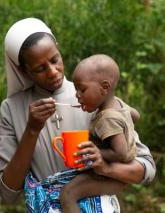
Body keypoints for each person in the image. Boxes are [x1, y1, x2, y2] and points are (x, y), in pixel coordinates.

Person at [0, 17, 156, 212]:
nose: (53, 72)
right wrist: (32, 130)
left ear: (59, 50)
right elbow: (7, 192)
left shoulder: (93, 96)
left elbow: (146, 169)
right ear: (23, 70)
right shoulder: (11, 109)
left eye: (55, 60)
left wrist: (105, 167)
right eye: (39, 68)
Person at [59, 54, 141, 212]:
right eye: (76, 90)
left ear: (104, 88)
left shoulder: (107, 119)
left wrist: (97, 152)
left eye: (82, 89)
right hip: (120, 173)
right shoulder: (118, 103)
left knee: (67, 194)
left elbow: (121, 153)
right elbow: (136, 115)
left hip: (112, 174)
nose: (77, 95)